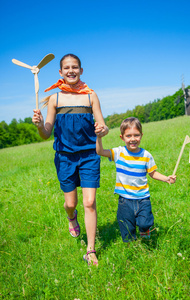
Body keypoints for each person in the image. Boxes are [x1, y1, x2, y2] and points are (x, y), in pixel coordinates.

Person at [32, 54, 108, 265]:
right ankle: (71, 217)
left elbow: (103, 124)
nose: (71, 71)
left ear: (81, 70)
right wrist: (39, 125)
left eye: (75, 67)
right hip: (65, 157)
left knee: (90, 202)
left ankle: (90, 250)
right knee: (70, 203)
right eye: (67, 68)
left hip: (89, 155)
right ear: (60, 72)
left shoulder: (90, 95)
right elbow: (46, 133)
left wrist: (103, 129)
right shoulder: (55, 99)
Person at [95, 117, 176, 242]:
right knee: (127, 228)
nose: (133, 139)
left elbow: (153, 173)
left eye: (136, 135)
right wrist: (99, 137)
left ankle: (145, 234)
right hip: (125, 200)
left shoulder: (146, 155)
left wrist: (167, 179)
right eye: (128, 136)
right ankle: (132, 249)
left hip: (143, 198)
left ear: (141, 135)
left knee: (145, 223)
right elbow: (99, 151)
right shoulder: (119, 152)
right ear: (122, 137)